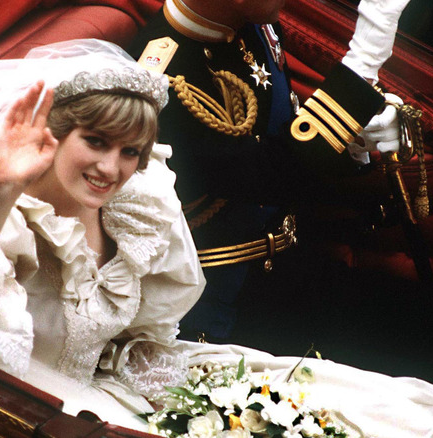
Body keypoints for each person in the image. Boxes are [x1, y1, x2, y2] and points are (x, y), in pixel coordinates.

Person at [0, 39, 433, 436]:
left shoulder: (134, 196)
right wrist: (4, 189)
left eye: (130, 151)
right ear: (53, 134)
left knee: (381, 412)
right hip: (39, 404)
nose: (111, 169)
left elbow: (140, 329)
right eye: (95, 143)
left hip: (130, 373)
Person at [127, 0, 411, 342]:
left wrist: (356, 143)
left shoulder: (254, 23)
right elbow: (270, 174)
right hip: (224, 308)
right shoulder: (159, 83)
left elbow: (283, 134)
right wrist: (365, 58)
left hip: (294, 264)